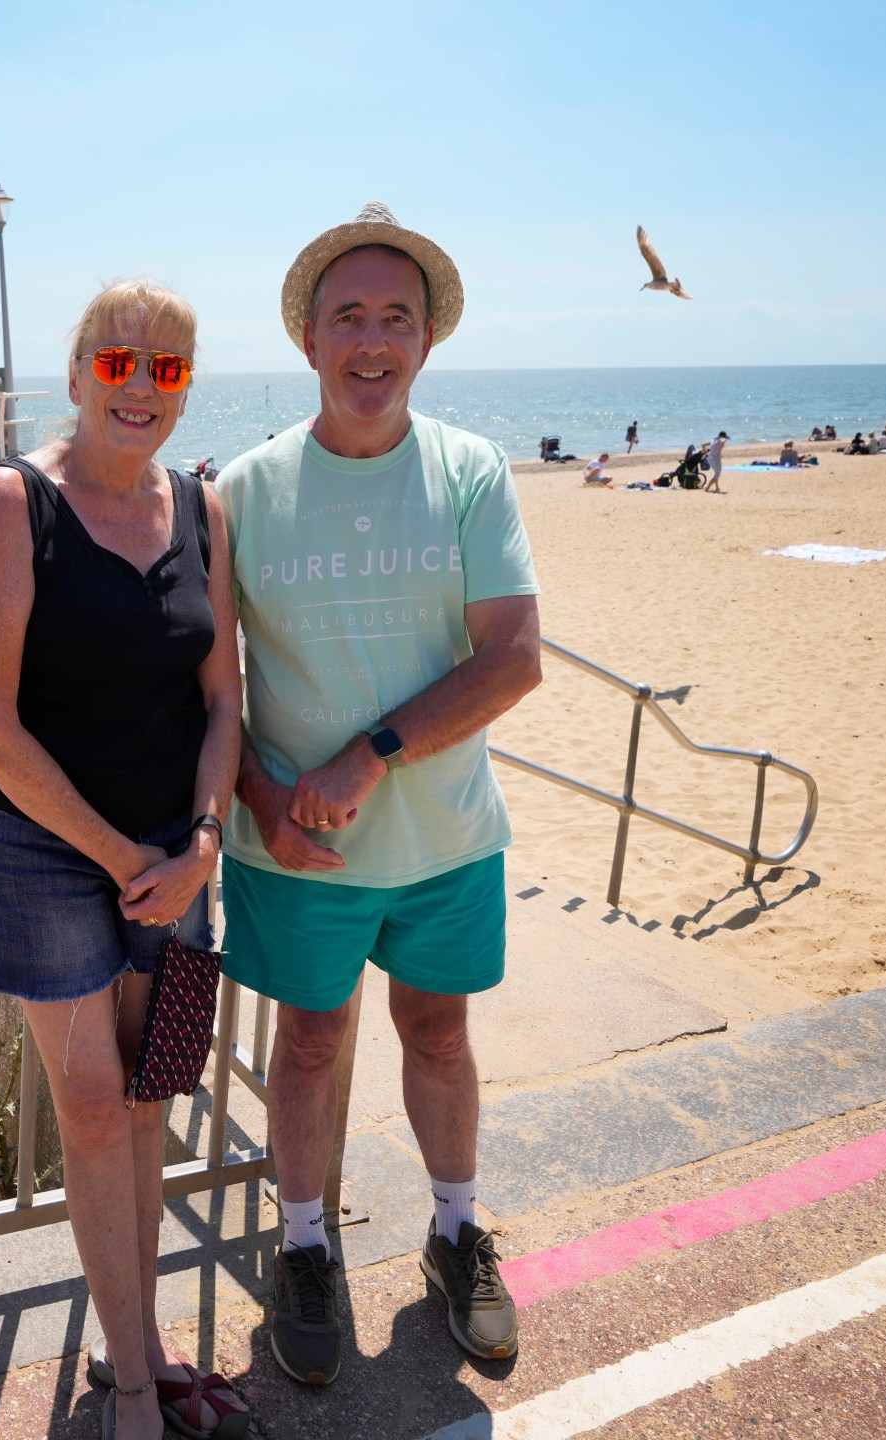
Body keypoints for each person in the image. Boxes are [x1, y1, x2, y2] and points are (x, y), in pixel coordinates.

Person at [219, 203, 540, 1387]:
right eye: (347, 315)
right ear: (307, 339)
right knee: (309, 1044)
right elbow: (210, 684)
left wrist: (370, 754)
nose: (371, 339)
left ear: (426, 340)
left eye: (395, 317)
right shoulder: (243, 491)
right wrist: (261, 799)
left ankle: (455, 1231)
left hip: (447, 835)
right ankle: (305, 1249)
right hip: (297, 851)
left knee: (439, 1033)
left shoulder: (469, 471)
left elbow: (513, 658)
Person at [0, 280, 250, 1440]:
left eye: (166, 369)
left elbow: (222, 698)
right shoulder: (10, 502)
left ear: (184, 390)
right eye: (118, 364)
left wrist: (202, 843)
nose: (140, 387)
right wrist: (124, 854)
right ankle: (132, 1386)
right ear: (78, 372)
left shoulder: (203, 509)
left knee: (146, 1103)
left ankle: (145, 1344)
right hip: (45, 854)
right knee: (90, 1108)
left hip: (173, 856)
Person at [706, 430, 729, 494]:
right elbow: (723, 441)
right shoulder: (722, 439)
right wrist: (718, 451)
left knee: (716, 473)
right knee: (717, 475)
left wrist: (705, 453)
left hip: (709, 458)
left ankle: (717, 487)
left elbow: (703, 445)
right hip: (716, 459)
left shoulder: (713, 440)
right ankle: (707, 488)